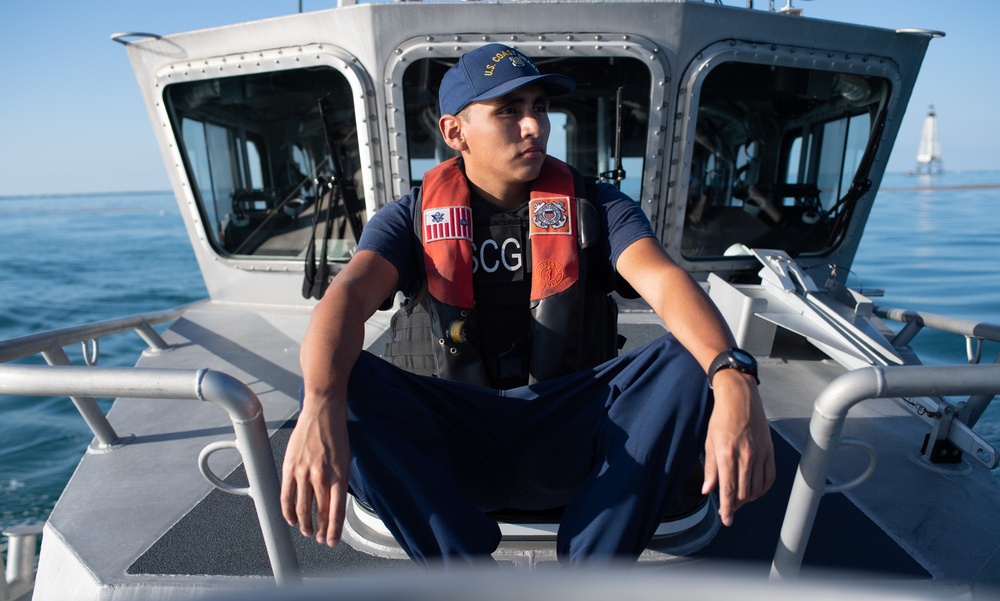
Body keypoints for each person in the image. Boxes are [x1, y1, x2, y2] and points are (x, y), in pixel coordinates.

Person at [281, 43, 774, 567]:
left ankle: (593, 570)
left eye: (539, 107)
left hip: (567, 436)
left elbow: (663, 279)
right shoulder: (407, 217)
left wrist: (734, 377)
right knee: (339, 373)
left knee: (691, 359)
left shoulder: (599, 208)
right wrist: (319, 404)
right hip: (453, 443)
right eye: (508, 111)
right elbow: (348, 294)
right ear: (455, 133)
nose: (535, 125)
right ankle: (463, 569)